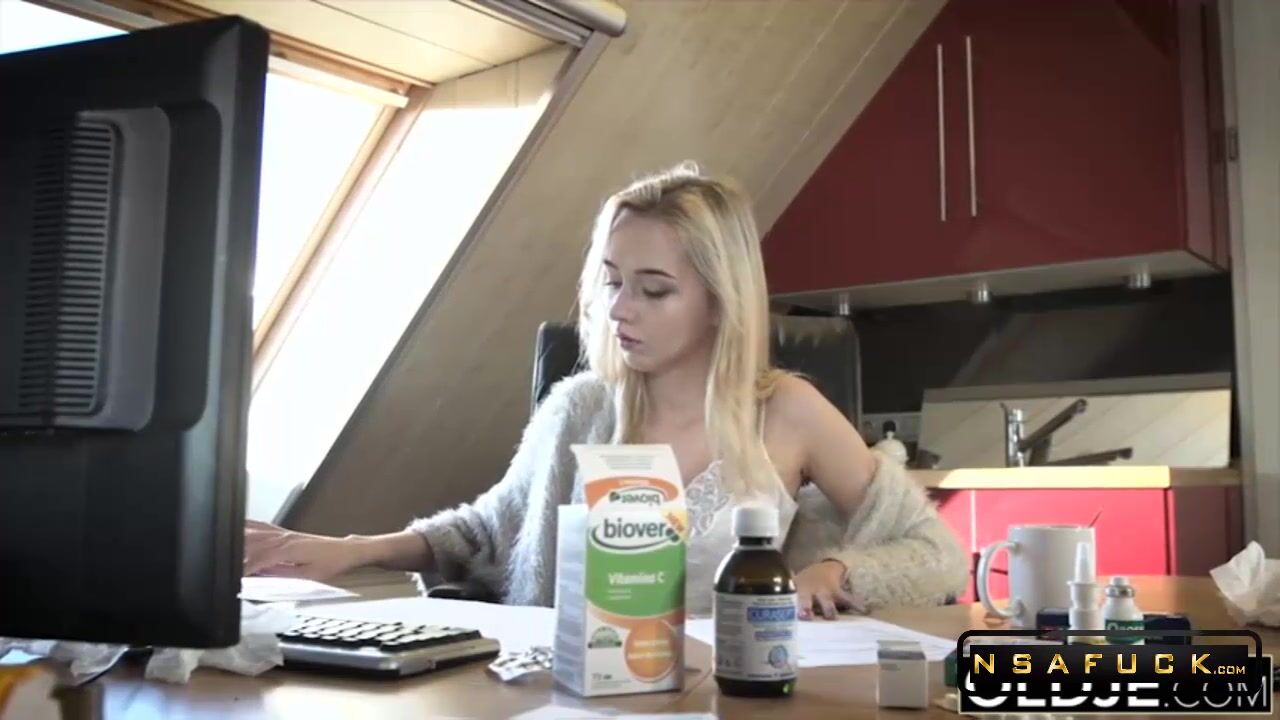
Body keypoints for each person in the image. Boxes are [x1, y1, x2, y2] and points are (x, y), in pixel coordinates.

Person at [245, 162, 969, 620]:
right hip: (570, 695)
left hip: (737, 695)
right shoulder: (578, 408)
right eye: (613, 281)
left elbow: (934, 553)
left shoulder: (788, 412)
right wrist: (351, 550)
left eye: (654, 289)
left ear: (720, 301)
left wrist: (836, 569)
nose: (620, 309)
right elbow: (488, 531)